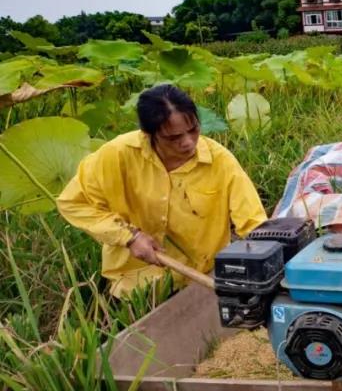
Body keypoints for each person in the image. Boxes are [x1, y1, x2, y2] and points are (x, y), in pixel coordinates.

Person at [58, 84, 267, 297]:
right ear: (149, 134)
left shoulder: (219, 161)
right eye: (174, 138)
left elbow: (253, 223)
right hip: (134, 284)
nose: (188, 143)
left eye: (193, 130)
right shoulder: (117, 155)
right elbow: (71, 203)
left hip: (200, 281)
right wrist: (128, 237)